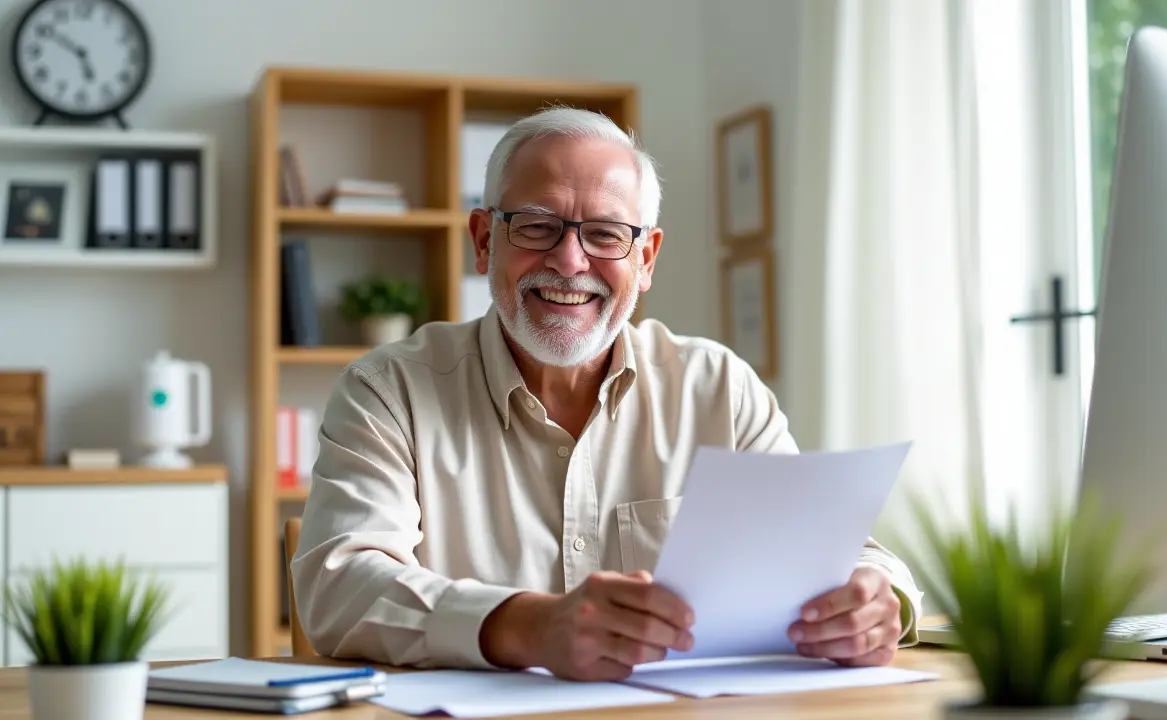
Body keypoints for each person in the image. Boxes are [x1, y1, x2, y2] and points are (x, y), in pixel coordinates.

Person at [292, 107, 923, 681]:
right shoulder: (388, 391)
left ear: (645, 258)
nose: (570, 261)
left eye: (606, 234)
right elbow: (338, 585)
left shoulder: (720, 389)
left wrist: (878, 597)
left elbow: (832, 554)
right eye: (537, 226)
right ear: (485, 241)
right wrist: (528, 626)